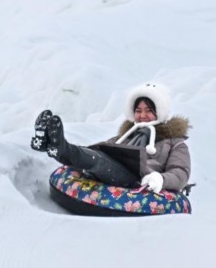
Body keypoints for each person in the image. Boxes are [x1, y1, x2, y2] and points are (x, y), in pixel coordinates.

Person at [30, 82, 191, 193]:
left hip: (136, 181)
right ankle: (52, 145)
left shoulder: (175, 143)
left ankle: (60, 147)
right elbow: (100, 151)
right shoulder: (127, 136)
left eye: (148, 110)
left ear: (160, 112)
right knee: (96, 156)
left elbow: (180, 172)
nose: (142, 115)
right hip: (112, 172)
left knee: (98, 160)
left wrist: (160, 179)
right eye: (138, 110)